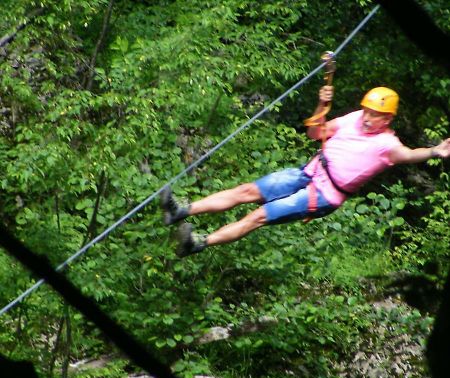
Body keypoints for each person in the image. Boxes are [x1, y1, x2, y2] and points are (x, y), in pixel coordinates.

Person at [160, 85, 450, 257]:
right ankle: (180, 211)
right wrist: (322, 104)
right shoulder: (353, 119)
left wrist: (434, 151)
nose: (369, 118)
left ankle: (197, 244)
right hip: (308, 172)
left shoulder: (388, 144)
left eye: (376, 115)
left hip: (323, 195)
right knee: (246, 191)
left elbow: (410, 154)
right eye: (367, 111)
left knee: (258, 215)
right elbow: (315, 133)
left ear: (388, 118)